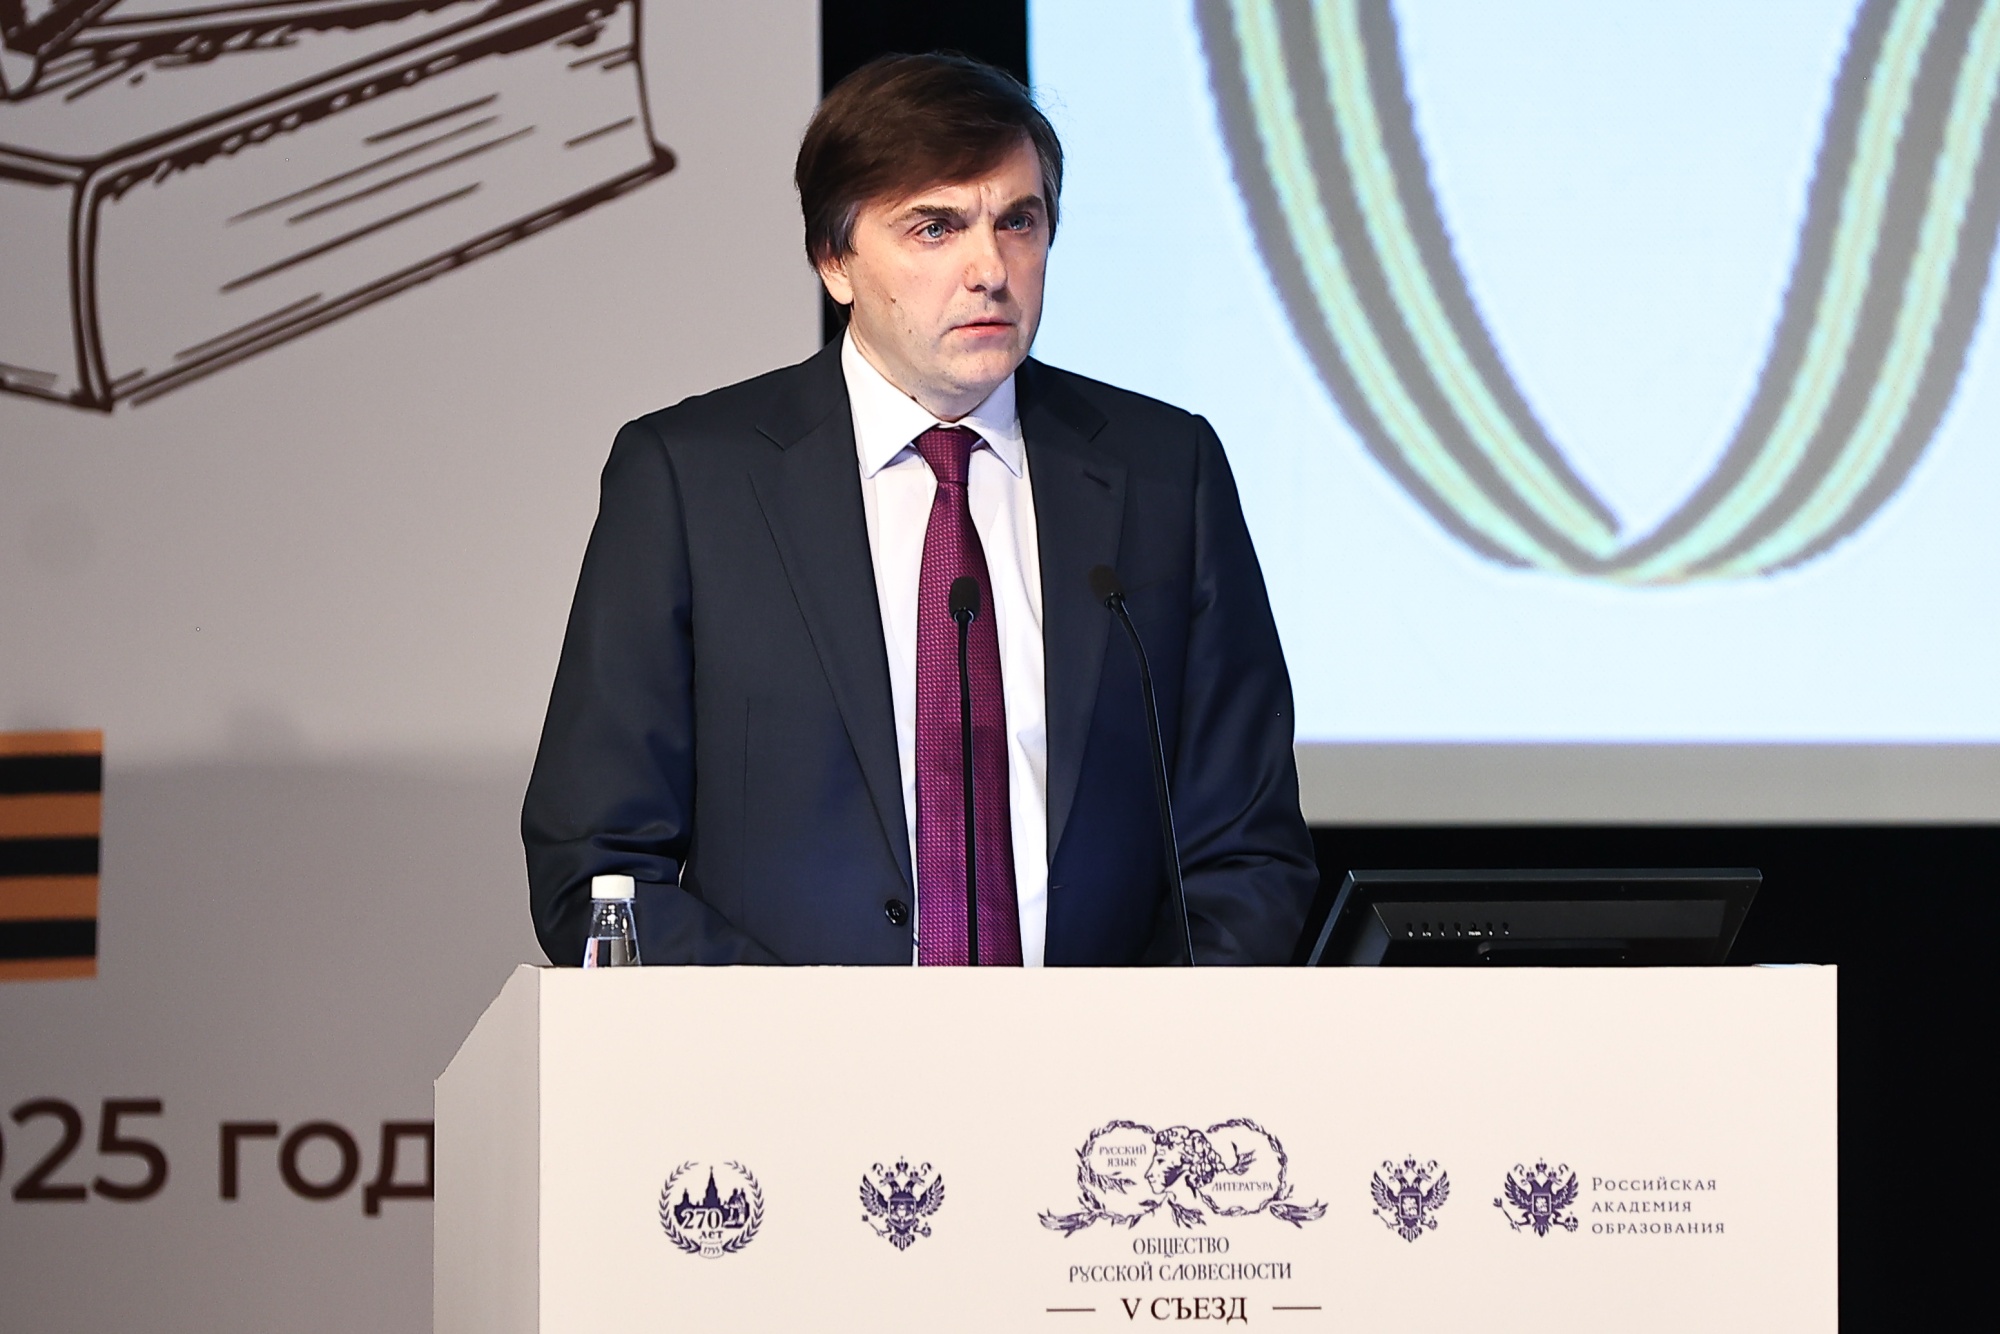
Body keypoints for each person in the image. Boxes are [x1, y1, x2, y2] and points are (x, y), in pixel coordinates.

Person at [522, 52, 1316, 966]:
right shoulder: (692, 482)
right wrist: (800, 1034)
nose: (990, 269)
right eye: (935, 228)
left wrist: (1142, 1038)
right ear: (835, 261)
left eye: (1018, 221)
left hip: (1102, 1056)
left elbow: (1247, 853)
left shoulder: (1166, 473)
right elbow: (597, 866)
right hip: (782, 1054)